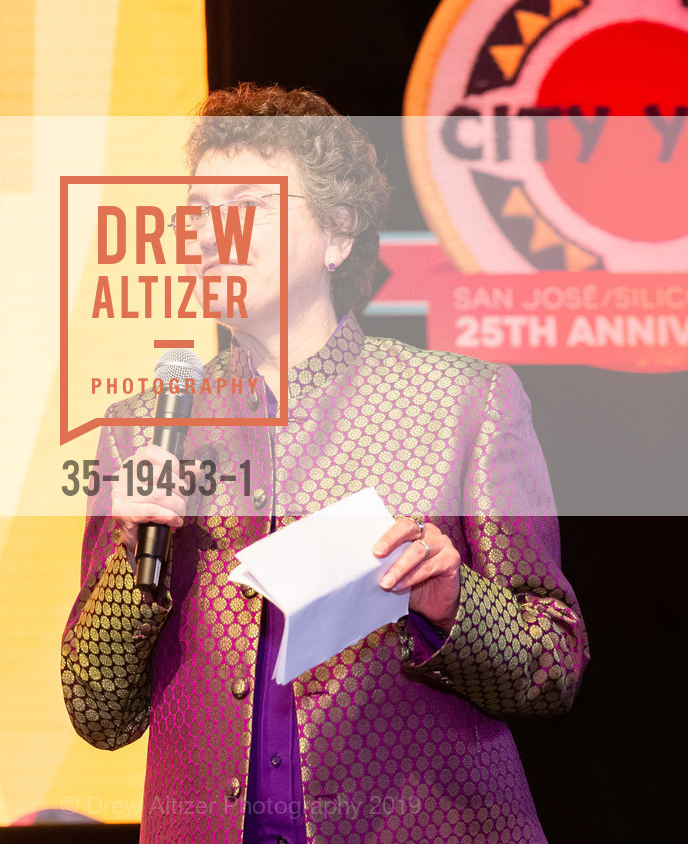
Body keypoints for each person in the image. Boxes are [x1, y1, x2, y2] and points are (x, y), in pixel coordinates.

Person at [61, 84, 588, 843]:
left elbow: (553, 667)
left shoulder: (465, 402)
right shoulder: (145, 429)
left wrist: (449, 597)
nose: (212, 238)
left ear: (339, 233)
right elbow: (97, 712)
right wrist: (132, 564)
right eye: (198, 216)